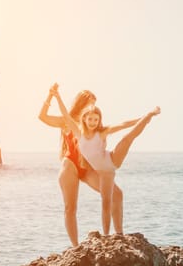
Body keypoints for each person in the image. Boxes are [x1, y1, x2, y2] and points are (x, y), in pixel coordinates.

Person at [50, 84, 161, 235]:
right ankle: (109, 236)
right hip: (105, 173)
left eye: (96, 119)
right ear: (84, 119)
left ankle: (149, 116)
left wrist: (142, 118)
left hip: (112, 160)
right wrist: (56, 96)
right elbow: (66, 115)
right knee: (106, 202)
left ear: (99, 120)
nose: (93, 122)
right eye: (90, 119)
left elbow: (123, 125)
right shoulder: (78, 133)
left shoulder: (101, 132)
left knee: (127, 138)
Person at [38, 84, 124, 247]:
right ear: (82, 103)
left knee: (117, 194)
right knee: (71, 208)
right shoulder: (66, 121)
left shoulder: (92, 122)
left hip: (87, 169)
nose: (93, 107)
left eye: (94, 104)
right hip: (70, 165)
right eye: (90, 103)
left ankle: (119, 235)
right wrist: (50, 96)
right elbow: (42, 116)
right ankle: (76, 246)